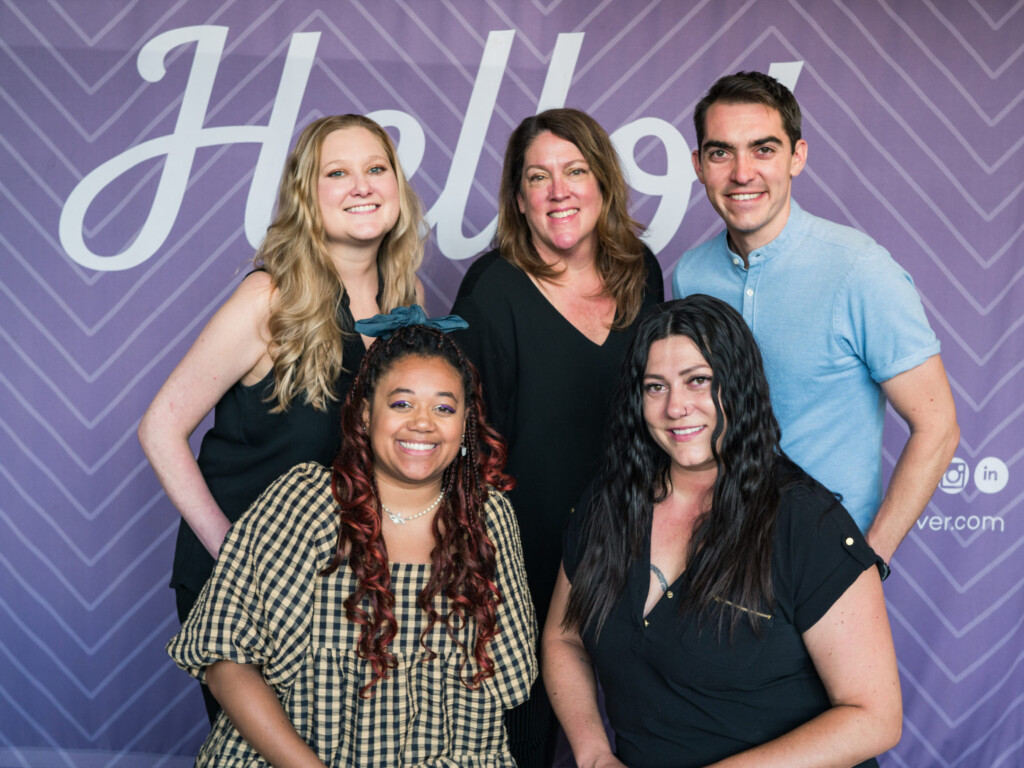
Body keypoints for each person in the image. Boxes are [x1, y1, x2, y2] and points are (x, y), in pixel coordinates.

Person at [139, 114, 425, 720]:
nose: (362, 185)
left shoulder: (406, 305)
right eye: (337, 173)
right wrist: (233, 552)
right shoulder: (270, 300)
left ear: (397, 187)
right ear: (305, 194)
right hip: (248, 588)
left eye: (377, 169)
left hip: (342, 587)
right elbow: (160, 426)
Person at [544, 296, 903, 768]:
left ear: (738, 386)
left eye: (699, 381)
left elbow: (874, 717)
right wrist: (593, 753)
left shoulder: (804, 521)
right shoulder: (609, 502)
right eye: (655, 387)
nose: (677, 407)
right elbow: (563, 638)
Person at [166, 314, 538, 768]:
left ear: (465, 424)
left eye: (444, 408)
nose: (422, 423)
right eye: (401, 404)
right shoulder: (303, 503)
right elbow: (227, 662)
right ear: (365, 414)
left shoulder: (488, 518)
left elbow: (505, 684)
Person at [672, 71, 959, 568]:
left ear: (797, 157)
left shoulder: (859, 269)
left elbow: (938, 426)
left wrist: (870, 559)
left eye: (763, 149)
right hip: (715, 558)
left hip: (824, 564)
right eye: (721, 153)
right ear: (699, 166)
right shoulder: (689, 276)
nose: (742, 173)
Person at [451, 107, 664, 766]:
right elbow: (464, 442)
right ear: (518, 198)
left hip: (632, 542)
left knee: (645, 714)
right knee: (527, 730)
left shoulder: (642, 275)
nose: (559, 190)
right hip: (522, 556)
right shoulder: (493, 289)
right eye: (538, 177)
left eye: (574, 171)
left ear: (603, 182)